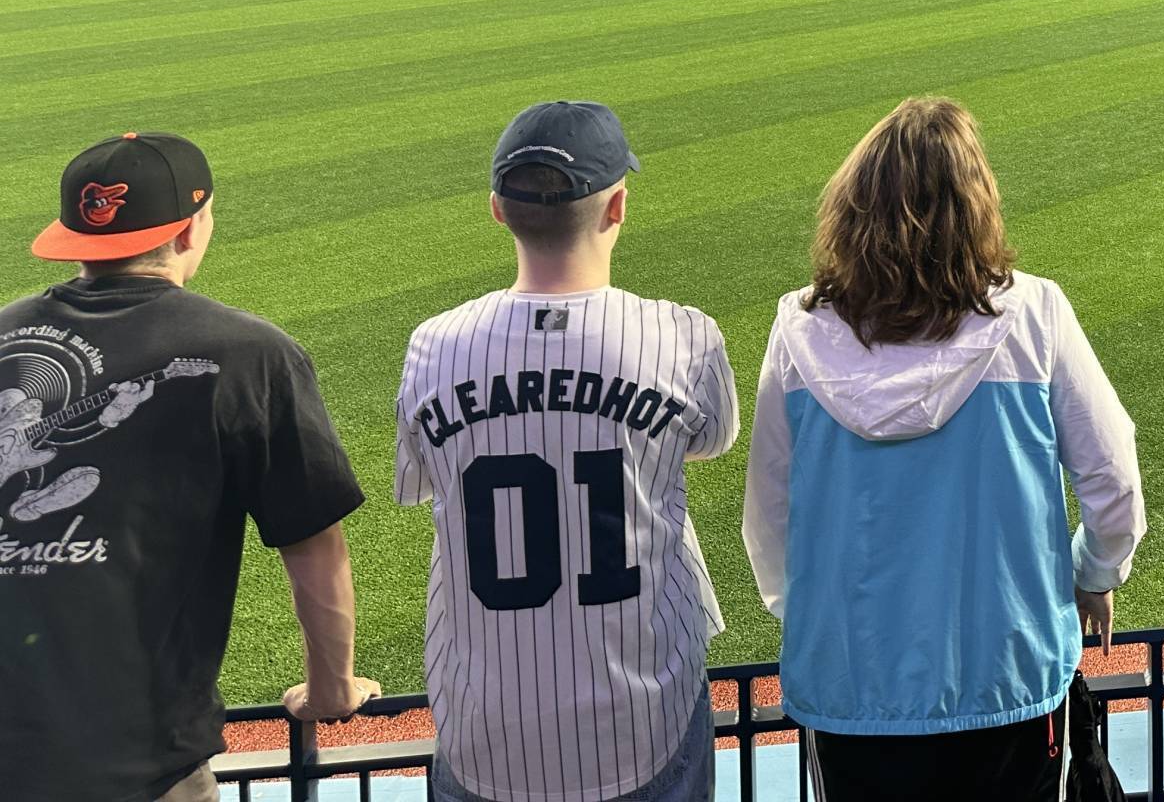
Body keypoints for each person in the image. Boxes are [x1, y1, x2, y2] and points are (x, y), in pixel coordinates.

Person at [743, 98, 1146, 801]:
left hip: (851, 687)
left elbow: (768, 517)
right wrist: (1093, 573)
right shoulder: (1035, 315)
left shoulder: (797, 332)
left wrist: (826, 621)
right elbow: (1113, 480)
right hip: (1008, 678)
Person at [0, 133, 376, 802]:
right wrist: (332, 689)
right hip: (137, 767)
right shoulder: (247, 353)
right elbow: (313, 545)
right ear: (191, 229)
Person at [396, 102, 740, 802]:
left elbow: (422, 477)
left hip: (483, 729)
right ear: (617, 206)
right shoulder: (682, 338)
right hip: (643, 719)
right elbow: (712, 440)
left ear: (497, 209)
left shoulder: (433, 347)